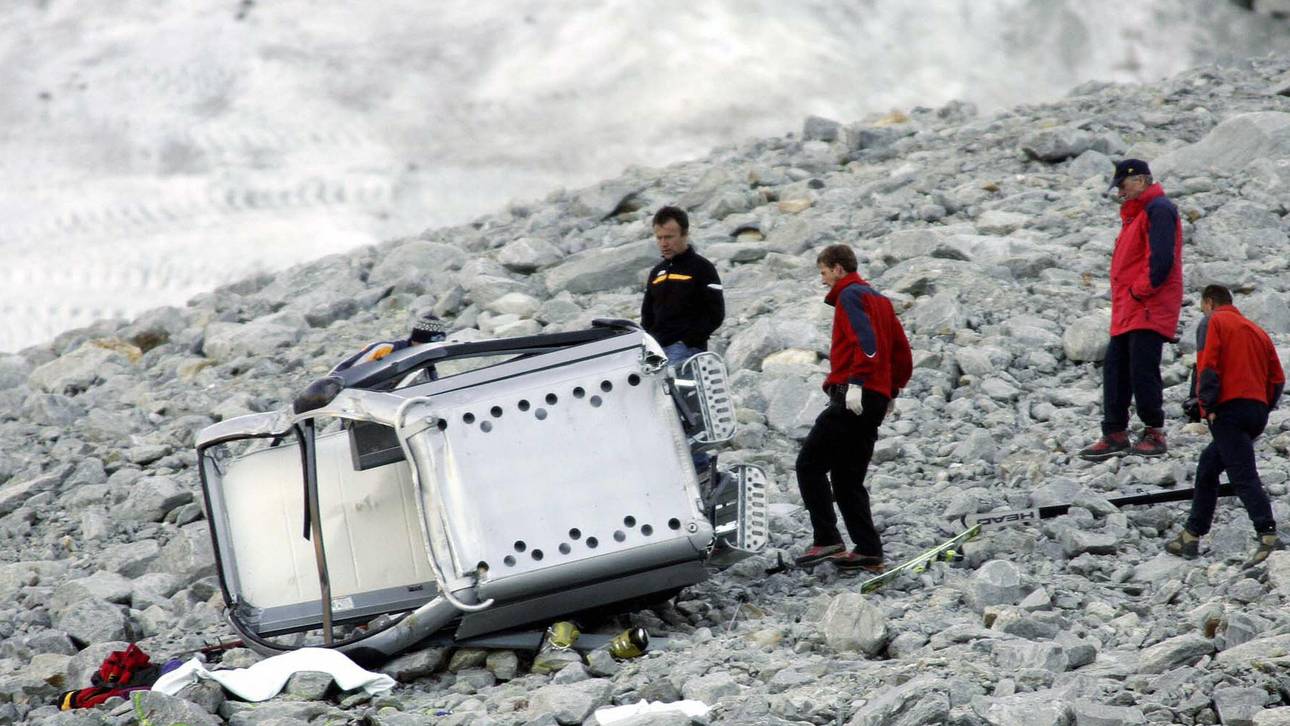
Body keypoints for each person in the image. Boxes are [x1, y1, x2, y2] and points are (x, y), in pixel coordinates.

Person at [794, 244, 912, 573]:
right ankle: (868, 548)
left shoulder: (849, 296)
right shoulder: (882, 301)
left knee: (809, 464)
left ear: (838, 269)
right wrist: (891, 390)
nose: (823, 281)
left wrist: (857, 382)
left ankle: (827, 538)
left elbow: (867, 342)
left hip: (852, 394)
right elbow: (901, 352)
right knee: (848, 478)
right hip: (875, 399)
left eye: (823, 272)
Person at [1165, 285, 1285, 566]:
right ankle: (1191, 534)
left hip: (1228, 409)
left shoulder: (1213, 321)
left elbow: (1208, 363)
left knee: (1242, 474)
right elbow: (1277, 377)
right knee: (1208, 467)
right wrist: (1264, 406)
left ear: (1209, 302)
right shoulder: (1256, 330)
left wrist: (1207, 407)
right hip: (1256, 411)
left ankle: (1267, 534)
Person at [1079, 159, 1184, 461]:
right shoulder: (1135, 215)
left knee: (1142, 370)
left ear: (1140, 180)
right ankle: (1114, 433)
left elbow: (1161, 260)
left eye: (1123, 186)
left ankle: (1154, 432)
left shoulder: (1159, 209)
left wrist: (1140, 291)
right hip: (1130, 307)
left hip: (1147, 306)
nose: (1120, 193)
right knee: (1115, 370)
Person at [640, 206, 725, 367]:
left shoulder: (702, 268)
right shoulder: (657, 272)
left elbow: (716, 314)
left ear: (685, 234)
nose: (664, 243)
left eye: (669, 237)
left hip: (687, 350)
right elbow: (647, 315)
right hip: (657, 350)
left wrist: (688, 341)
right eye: (659, 238)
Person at [331, 311, 448, 375]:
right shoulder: (385, 349)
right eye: (428, 347)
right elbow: (344, 372)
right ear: (417, 340)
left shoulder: (427, 364)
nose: (431, 352)